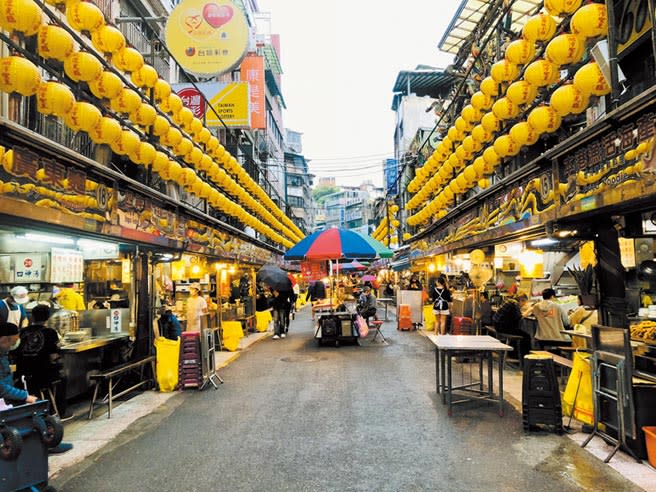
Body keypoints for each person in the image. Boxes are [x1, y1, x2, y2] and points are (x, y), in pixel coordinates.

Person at [13, 304, 70, 417]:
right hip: (43, 375)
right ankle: (60, 411)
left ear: (32, 317)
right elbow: (54, 355)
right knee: (63, 377)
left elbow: (15, 352)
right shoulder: (50, 332)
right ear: (48, 318)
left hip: (22, 375)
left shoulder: (23, 332)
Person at [0, 322, 37, 405]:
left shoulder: (3, 353)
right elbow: (1, 388)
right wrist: (25, 396)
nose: (13, 346)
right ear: (4, 340)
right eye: (13, 343)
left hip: (7, 399)